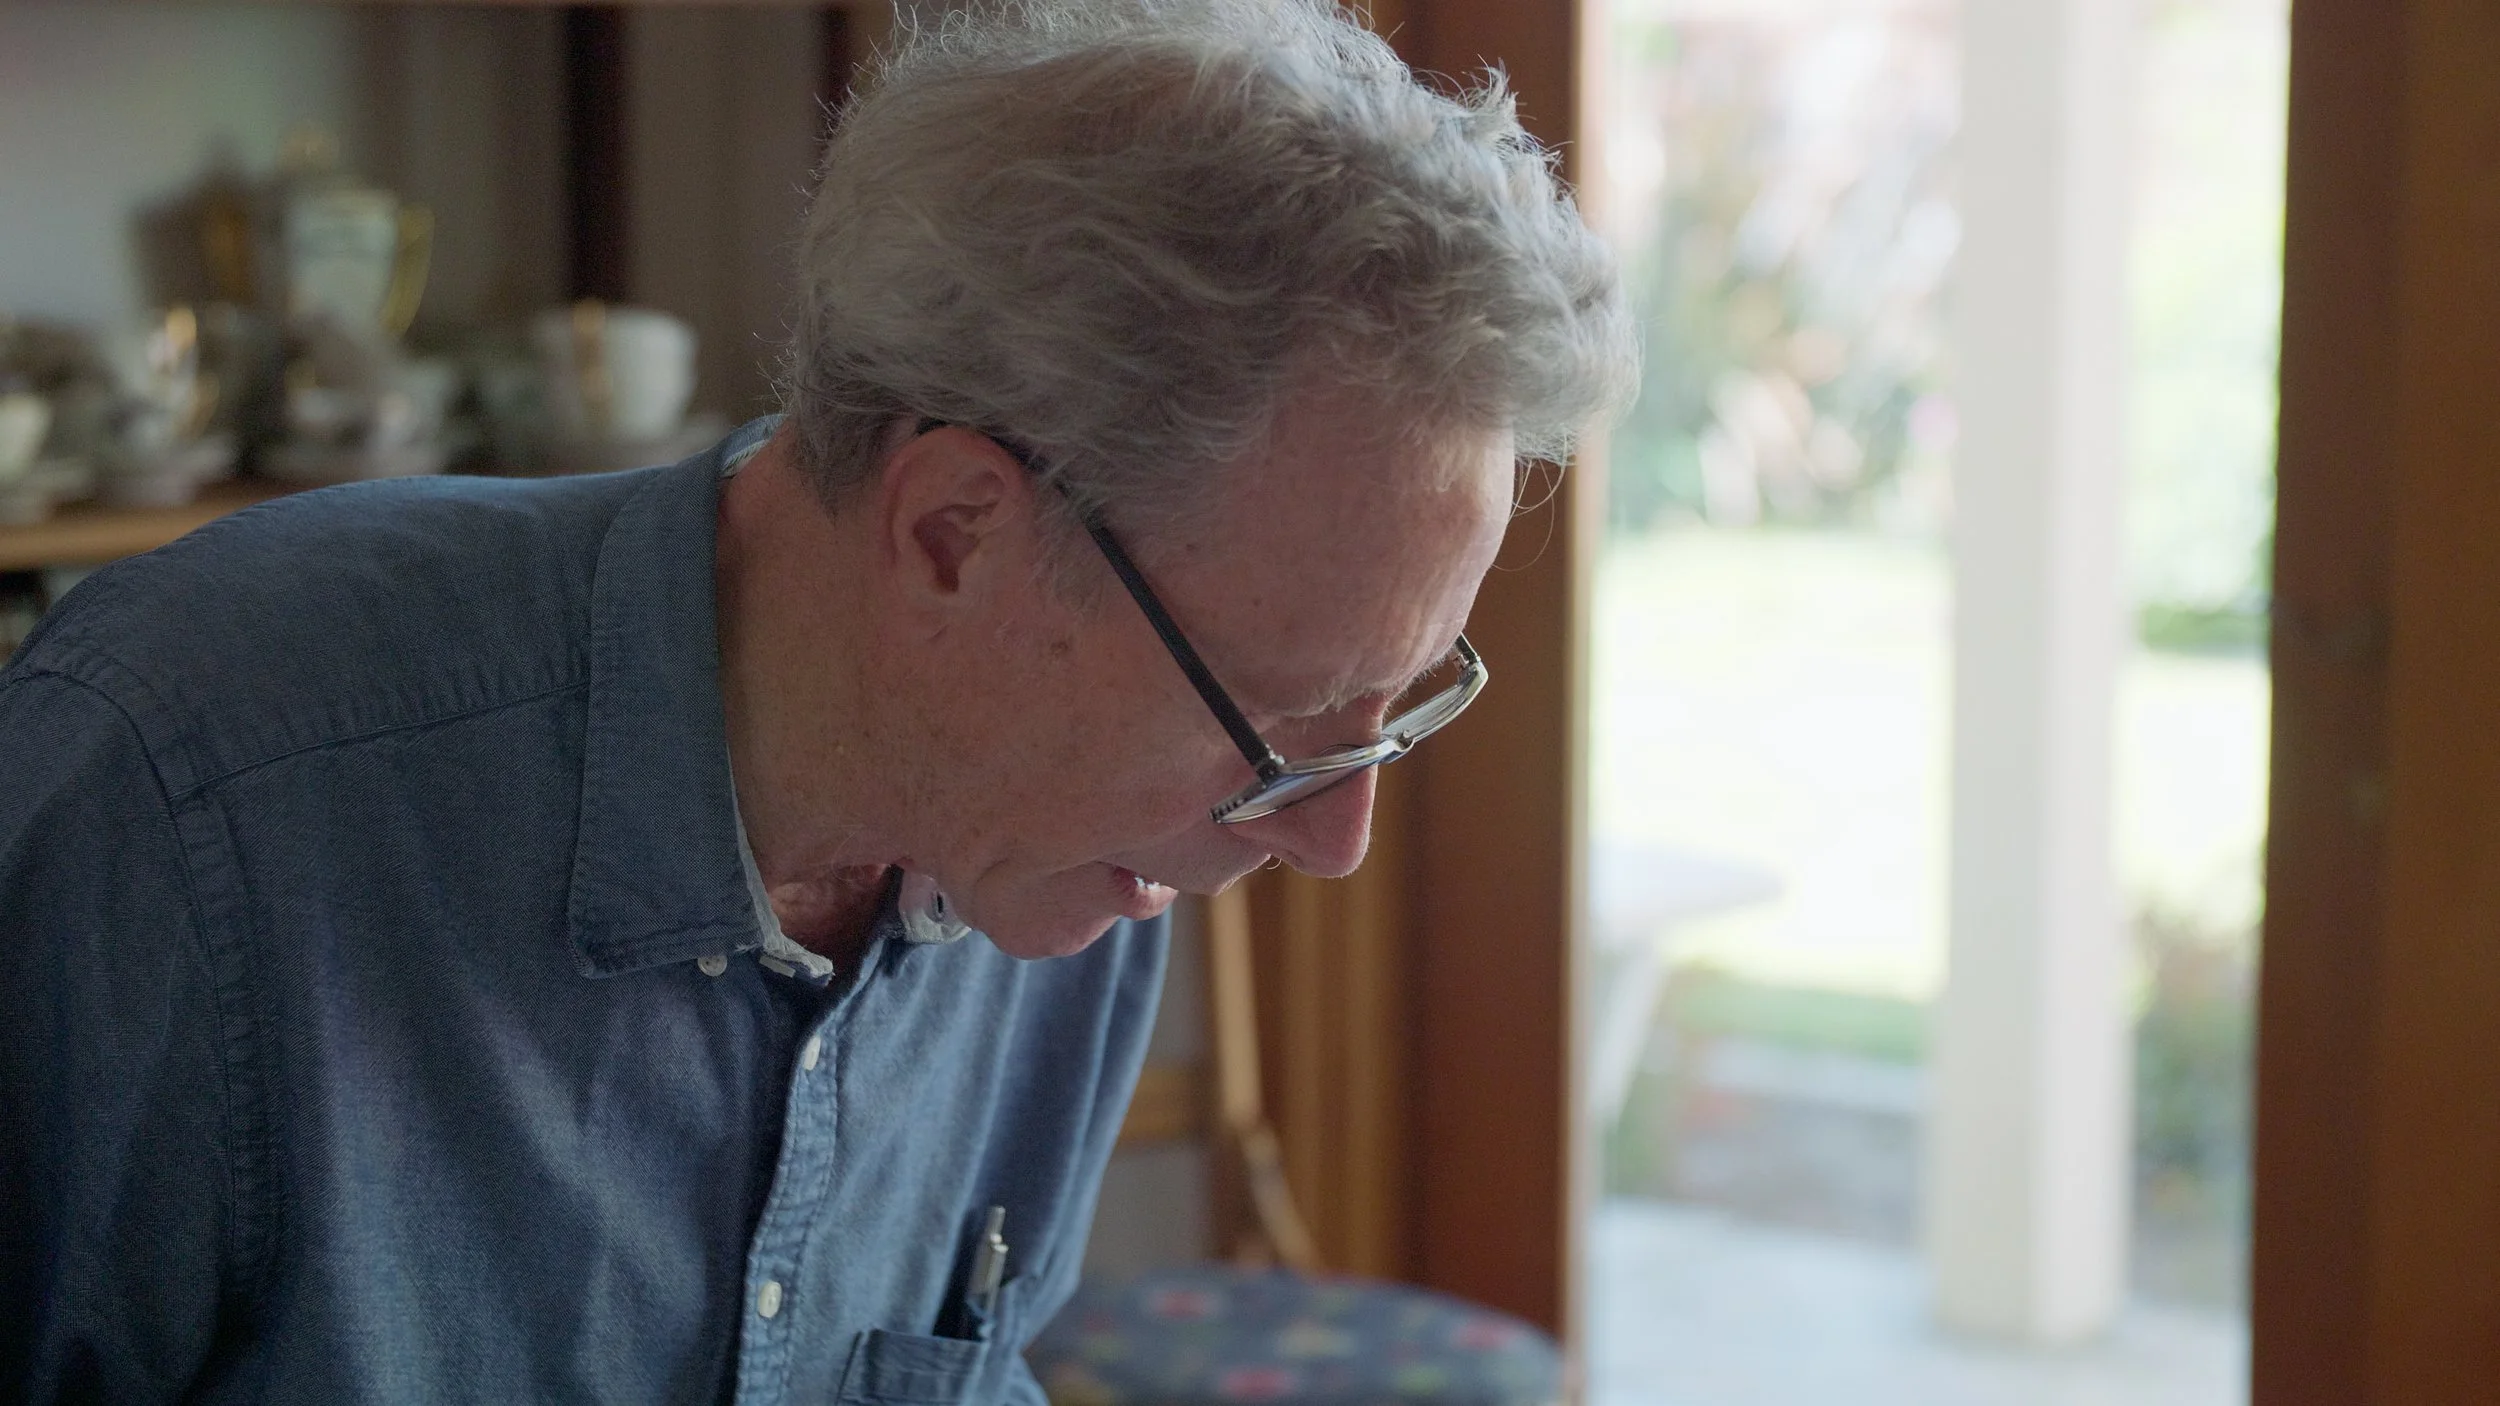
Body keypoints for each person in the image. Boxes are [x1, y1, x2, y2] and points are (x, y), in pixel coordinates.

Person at [0, 1, 1631, 1401]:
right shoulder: (186, 795)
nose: (1334, 838)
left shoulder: (1078, 875)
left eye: (1398, 706)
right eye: (1281, 719)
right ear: (954, 535)